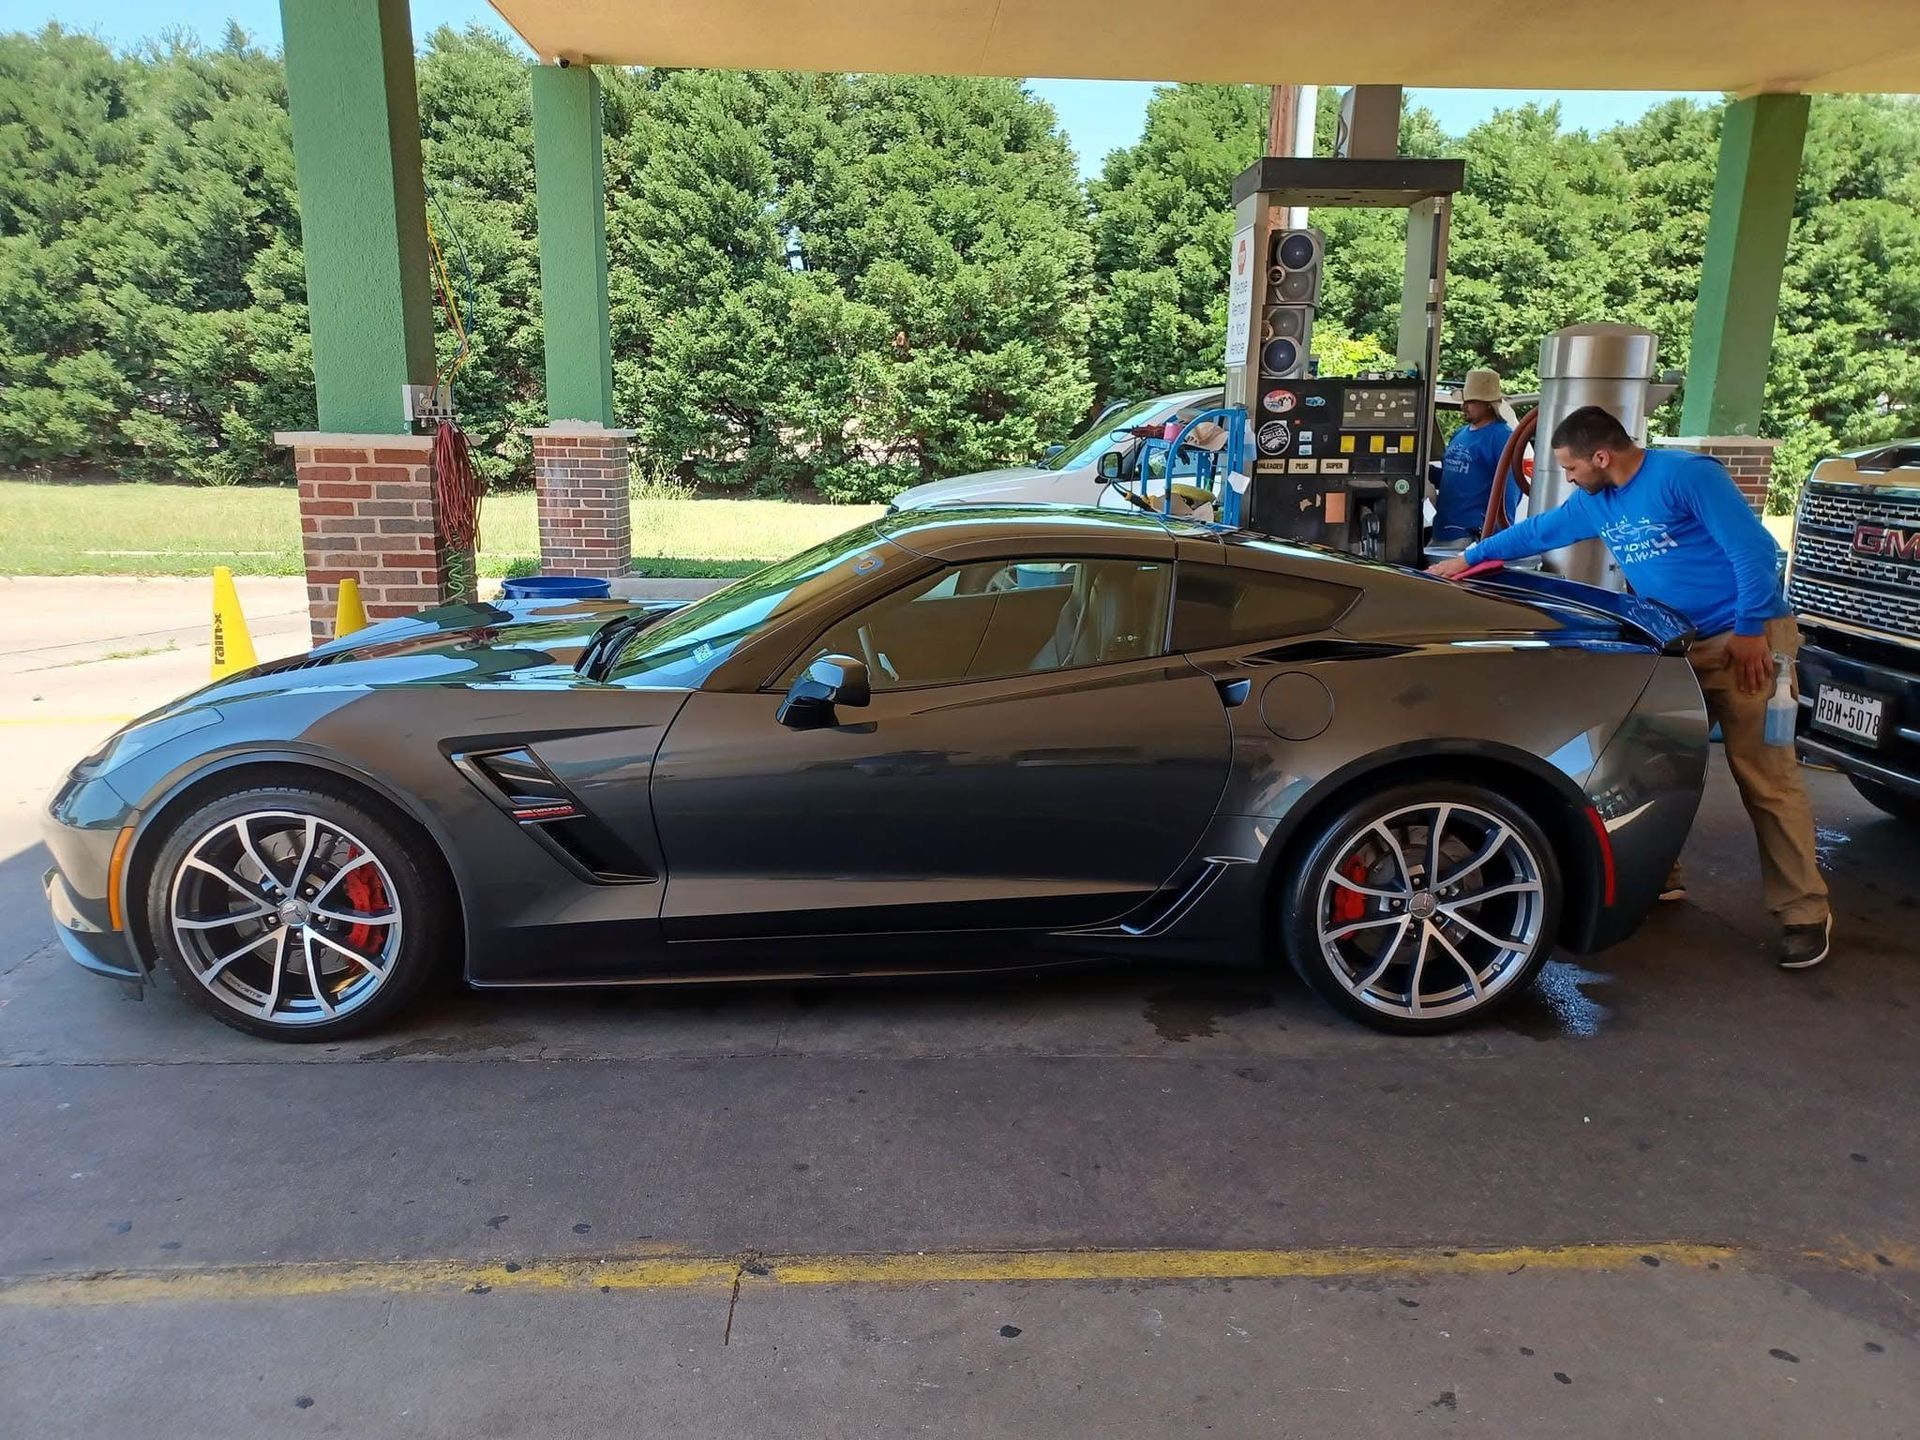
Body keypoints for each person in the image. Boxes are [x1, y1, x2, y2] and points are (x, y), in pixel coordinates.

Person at [1428, 404, 1832, 969]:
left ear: (1602, 455)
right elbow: (1540, 531)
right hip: (1675, 644)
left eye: (1571, 468)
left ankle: (1803, 913)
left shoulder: (1686, 477)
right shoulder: (1598, 499)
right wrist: (1467, 560)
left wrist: (1749, 630)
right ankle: (1657, 877)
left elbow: (1755, 551)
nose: (1567, 478)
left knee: (1764, 776)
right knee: (1651, 763)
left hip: (1745, 639)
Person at [1430, 368, 1517, 543]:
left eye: (1470, 401)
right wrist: (1426, 472)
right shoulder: (1459, 434)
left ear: (1488, 404)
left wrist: (1495, 538)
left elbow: (1509, 489)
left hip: (1472, 536)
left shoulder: (1502, 437)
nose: (1463, 406)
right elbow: (1453, 479)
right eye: (1464, 400)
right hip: (1442, 530)